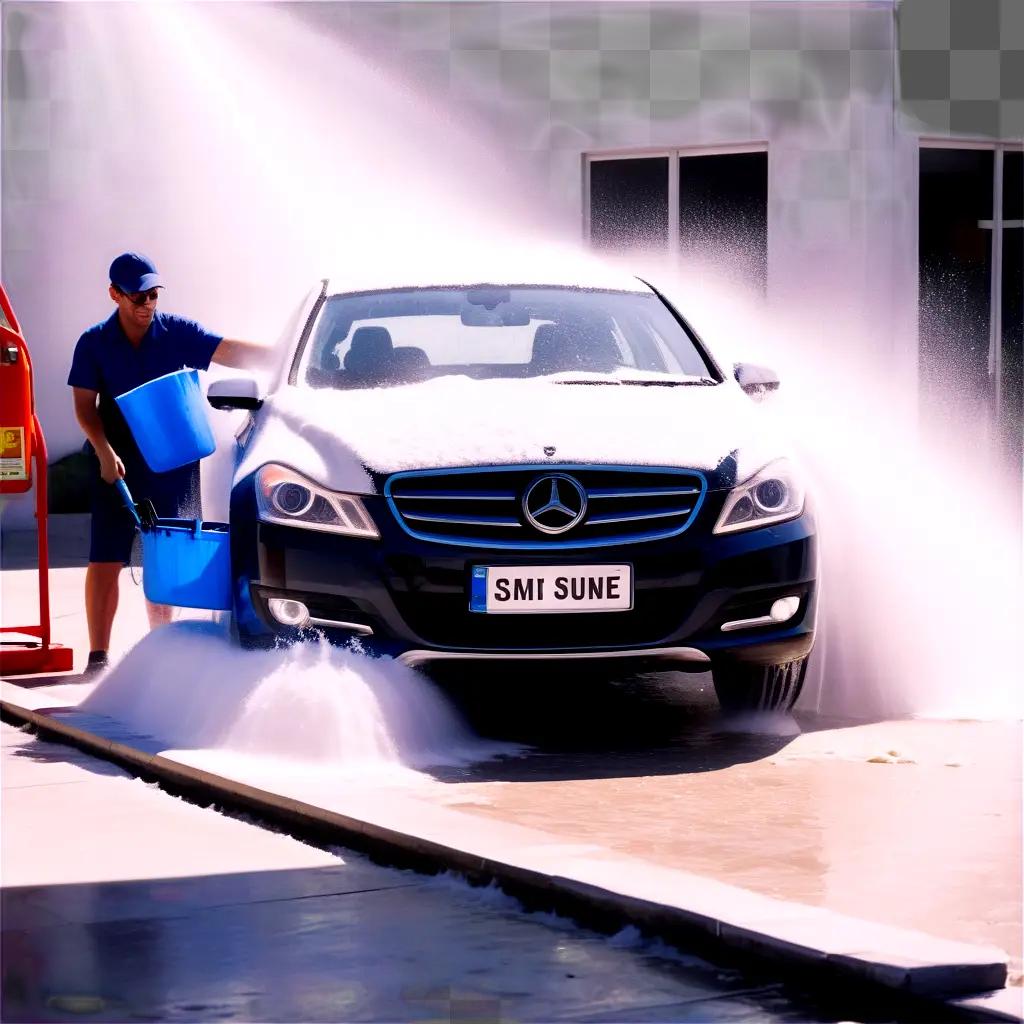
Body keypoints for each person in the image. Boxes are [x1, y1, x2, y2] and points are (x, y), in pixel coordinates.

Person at [68, 252, 268, 674]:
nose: (147, 305)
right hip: (115, 460)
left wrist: (289, 354)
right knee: (105, 558)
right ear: (115, 294)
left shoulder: (175, 331)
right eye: (138, 297)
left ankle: (160, 648)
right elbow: (85, 408)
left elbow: (228, 349)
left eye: (153, 295)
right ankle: (97, 658)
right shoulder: (93, 342)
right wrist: (104, 451)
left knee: (165, 553)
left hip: (172, 459)